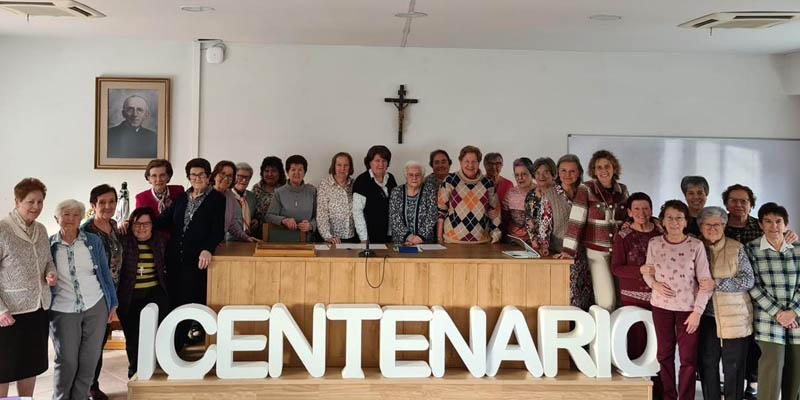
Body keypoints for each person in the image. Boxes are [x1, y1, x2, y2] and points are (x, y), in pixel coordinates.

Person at [643, 199, 713, 400]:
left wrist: (697, 313)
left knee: (688, 359)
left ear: (686, 221)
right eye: (670, 218)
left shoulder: (696, 245)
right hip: (661, 308)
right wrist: (654, 285)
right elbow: (648, 271)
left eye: (679, 218)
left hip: (688, 310)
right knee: (664, 355)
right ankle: (668, 396)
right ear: (663, 221)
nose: (674, 222)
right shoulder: (654, 243)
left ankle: (686, 397)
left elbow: (705, 282)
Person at [49, 199, 118, 400]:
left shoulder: (93, 241)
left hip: (96, 305)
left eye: (75, 215)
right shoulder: (49, 245)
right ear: (57, 218)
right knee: (67, 361)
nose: (71, 219)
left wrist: (112, 303)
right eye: (66, 214)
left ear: (81, 218)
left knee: (89, 360)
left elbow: (105, 273)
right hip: (63, 309)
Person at [157, 158, 225, 350]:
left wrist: (208, 249)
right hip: (174, 259)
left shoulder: (217, 199)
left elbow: (217, 230)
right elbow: (164, 220)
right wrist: (135, 221)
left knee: (188, 301)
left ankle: (177, 346)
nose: (197, 178)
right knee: (172, 301)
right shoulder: (182, 197)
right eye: (193, 175)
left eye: (201, 174)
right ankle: (170, 346)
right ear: (188, 177)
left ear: (208, 176)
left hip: (196, 261)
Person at [0, 178, 57, 398]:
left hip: (38, 309)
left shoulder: (41, 229)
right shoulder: (2, 230)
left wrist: (50, 272)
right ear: (17, 202)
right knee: (4, 371)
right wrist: (0, 310)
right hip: (9, 315)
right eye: (30, 201)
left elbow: (48, 260)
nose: (36, 206)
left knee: (30, 366)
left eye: (40, 202)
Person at [695, 206, 754, 400]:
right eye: (707, 224)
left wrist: (718, 284)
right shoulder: (693, 247)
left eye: (717, 224)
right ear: (700, 226)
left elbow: (748, 280)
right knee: (707, 364)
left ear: (724, 226)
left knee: (734, 366)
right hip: (705, 316)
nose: (712, 228)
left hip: (735, 317)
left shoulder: (736, 248)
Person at [745, 202, 800, 400]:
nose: (773, 226)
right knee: (772, 368)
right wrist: (779, 313)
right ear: (760, 224)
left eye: (778, 221)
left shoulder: (797, 249)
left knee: (796, 371)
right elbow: (752, 285)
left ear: (786, 224)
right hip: (768, 319)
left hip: (796, 318)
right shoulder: (751, 249)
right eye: (768, 221)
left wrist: (793, 312)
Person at [563, 149, 629, 311]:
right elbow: (576, 220)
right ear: (593, 170)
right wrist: (568, 250)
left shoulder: (623, 190)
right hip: (596, 251)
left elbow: (630, 217)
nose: (603, 170)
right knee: (606, 301)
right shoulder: (586, 188)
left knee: (622, 299)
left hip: (619, 251)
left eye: (607, 166)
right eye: (599, 167)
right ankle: (603, 327)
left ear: (614, 168)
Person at [611, 192, 662, 396]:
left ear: (652, 210)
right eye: (637, 209)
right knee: (637, 344)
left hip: (660, 296)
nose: (642, 213)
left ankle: (660, 392)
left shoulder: (660, 233)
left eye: (646, 208)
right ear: (630, 212)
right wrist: (639, 270)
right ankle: (637, 393)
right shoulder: (623, 236)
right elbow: (616, 268)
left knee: (659, 346)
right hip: (633, 298)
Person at [81, 184, 123, 400]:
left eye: (112, 201)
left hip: (114, 292)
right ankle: (90, 386)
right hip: (96, 295)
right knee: (93, 343)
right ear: (93, 205)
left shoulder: (114, 225)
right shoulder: (86, 231)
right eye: (102, 202)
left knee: (101, 340)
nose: (108, 206)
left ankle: (91, 384)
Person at [117, 207, 169, 378]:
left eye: (146, 224)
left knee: (154, 334)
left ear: (152, 225)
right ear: (130, 225)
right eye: (137, 224)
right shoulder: (123, 241)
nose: (141, 228)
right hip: (129, 296)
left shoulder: (161, 240)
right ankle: (135, 371)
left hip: (154, 294)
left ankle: (152, 368)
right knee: (133, 337)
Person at [546, 154, 593, 310]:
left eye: (572, 171)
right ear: (557, 172)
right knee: (566, 299)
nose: (567, 175)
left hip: (586, 254)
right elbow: (544, 227)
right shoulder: (549, 194)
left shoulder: (587, 191)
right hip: (561, 254)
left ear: (579, 172)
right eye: (563, 171)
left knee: (587, 299)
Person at [437, 145, 501, 244]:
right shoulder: (450, 180)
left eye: (474, 161)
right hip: (452, 241)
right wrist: (439, 238)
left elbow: (495, 212)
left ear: (479, 163)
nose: (470, 165)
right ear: (460, 162)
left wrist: (496, 235)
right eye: (466, 161)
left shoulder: (488, 183)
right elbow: (441, 211)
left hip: (482, 242)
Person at [266, 155, 318, 241]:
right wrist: (284, 220)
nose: (296, 173)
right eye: (293, 169)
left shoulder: (312, 191)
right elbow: (269, 216)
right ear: (287, 172)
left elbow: (318, 216)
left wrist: (311, 225)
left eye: (300, 170)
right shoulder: (279, 192)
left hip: (306, 240)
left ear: (304, 172)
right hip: (283, 239)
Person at [353, 145, 397, 244]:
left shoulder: (391, 178)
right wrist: (364, 238)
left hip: (388, 234)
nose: (381, 164)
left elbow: (394, 206)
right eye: (377, 160)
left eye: (384, 161)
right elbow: (357, 212)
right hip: (369, 235)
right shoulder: (362, 181)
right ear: (370, 162)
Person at [389, 161, 438, 245]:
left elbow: (432, 215)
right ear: (406, 176)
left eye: (417, 175)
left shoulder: (430, 190)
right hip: (402, 242)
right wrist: (409, 237)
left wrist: (419, 237)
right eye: (411, 175)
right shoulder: (396, 191)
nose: (414, 177)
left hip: (424, 242)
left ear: (422, 176)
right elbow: (394, 218)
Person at [211, 160, 257, 242]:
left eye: (230, 176)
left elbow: (231, 224)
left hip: (221, 243)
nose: (226, 178)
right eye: (222, 174)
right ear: (214, 175)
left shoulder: (229, 195)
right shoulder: (205, 194)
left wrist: (246, 238)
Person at [317, 152, 357, 244]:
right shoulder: (325, 184)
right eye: (339, 165)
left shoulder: (355, 184)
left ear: (350, 167)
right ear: (333, 166)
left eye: (346, 165)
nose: (342, 169)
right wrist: (328, 236)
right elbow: (322, 214)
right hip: (332, 239)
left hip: (353, 237)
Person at [522, 157, 556, 252]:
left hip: (557, 246)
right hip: (537, 247)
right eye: (537, 173)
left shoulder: (559, 193)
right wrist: (534, 241)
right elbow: (528, 219)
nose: (541, 176)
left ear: (553, 174)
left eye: (546, 172)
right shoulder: (531, 194)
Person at [251, 156, 286, 239]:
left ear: (280, 173)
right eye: (266, 171)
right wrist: (254, 220)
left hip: (281, 231)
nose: (270, 174)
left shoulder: (286, 189)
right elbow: (251, 210)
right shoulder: (256, 188)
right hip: (257, 234)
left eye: (273, 171)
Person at [503, 157, 535, 243]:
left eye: (524, 174)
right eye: (517, 175)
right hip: (512, 240)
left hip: (534, 242)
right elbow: (504, 218)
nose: (520, 177)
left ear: (532, 174)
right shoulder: (510, 193)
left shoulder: (539, 192)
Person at [232, 162, 258, 235]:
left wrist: (255, 220)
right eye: (240, 177)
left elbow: (254, 215)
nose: (243, 180)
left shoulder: (252, 197)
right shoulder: (225, 195)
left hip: (248, 238)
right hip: (228, 239)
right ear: (233, 177)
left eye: (247, 178)